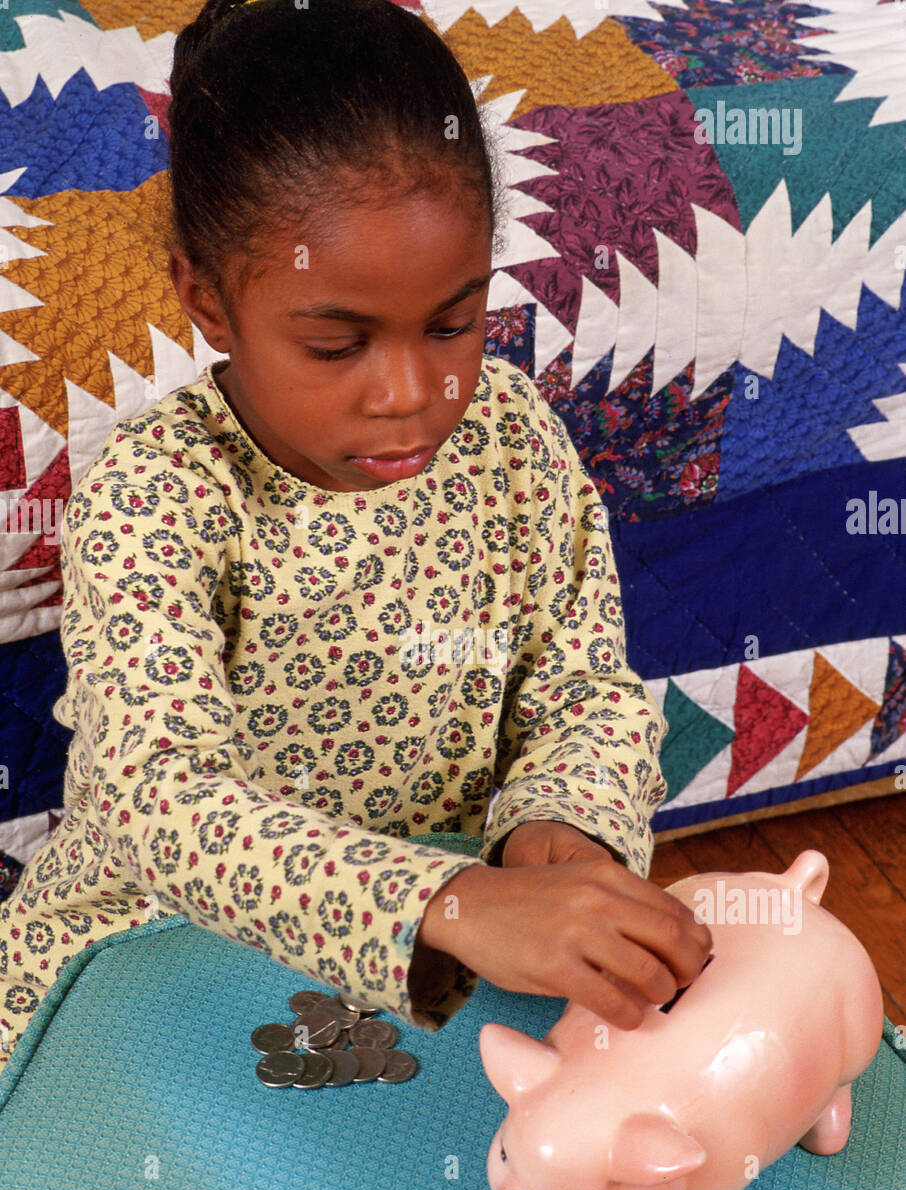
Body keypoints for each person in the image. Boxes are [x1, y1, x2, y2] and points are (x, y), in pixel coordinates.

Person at [0, 0, 711, 1079]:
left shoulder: (514, 438)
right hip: (149, 955)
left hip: (432, 960)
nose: (412, 395)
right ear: (208, 301)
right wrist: (449, 900)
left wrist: (558, 832)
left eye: (453, 323)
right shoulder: (158, 493)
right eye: (337, 343)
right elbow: (166, 803)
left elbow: (585, 694)